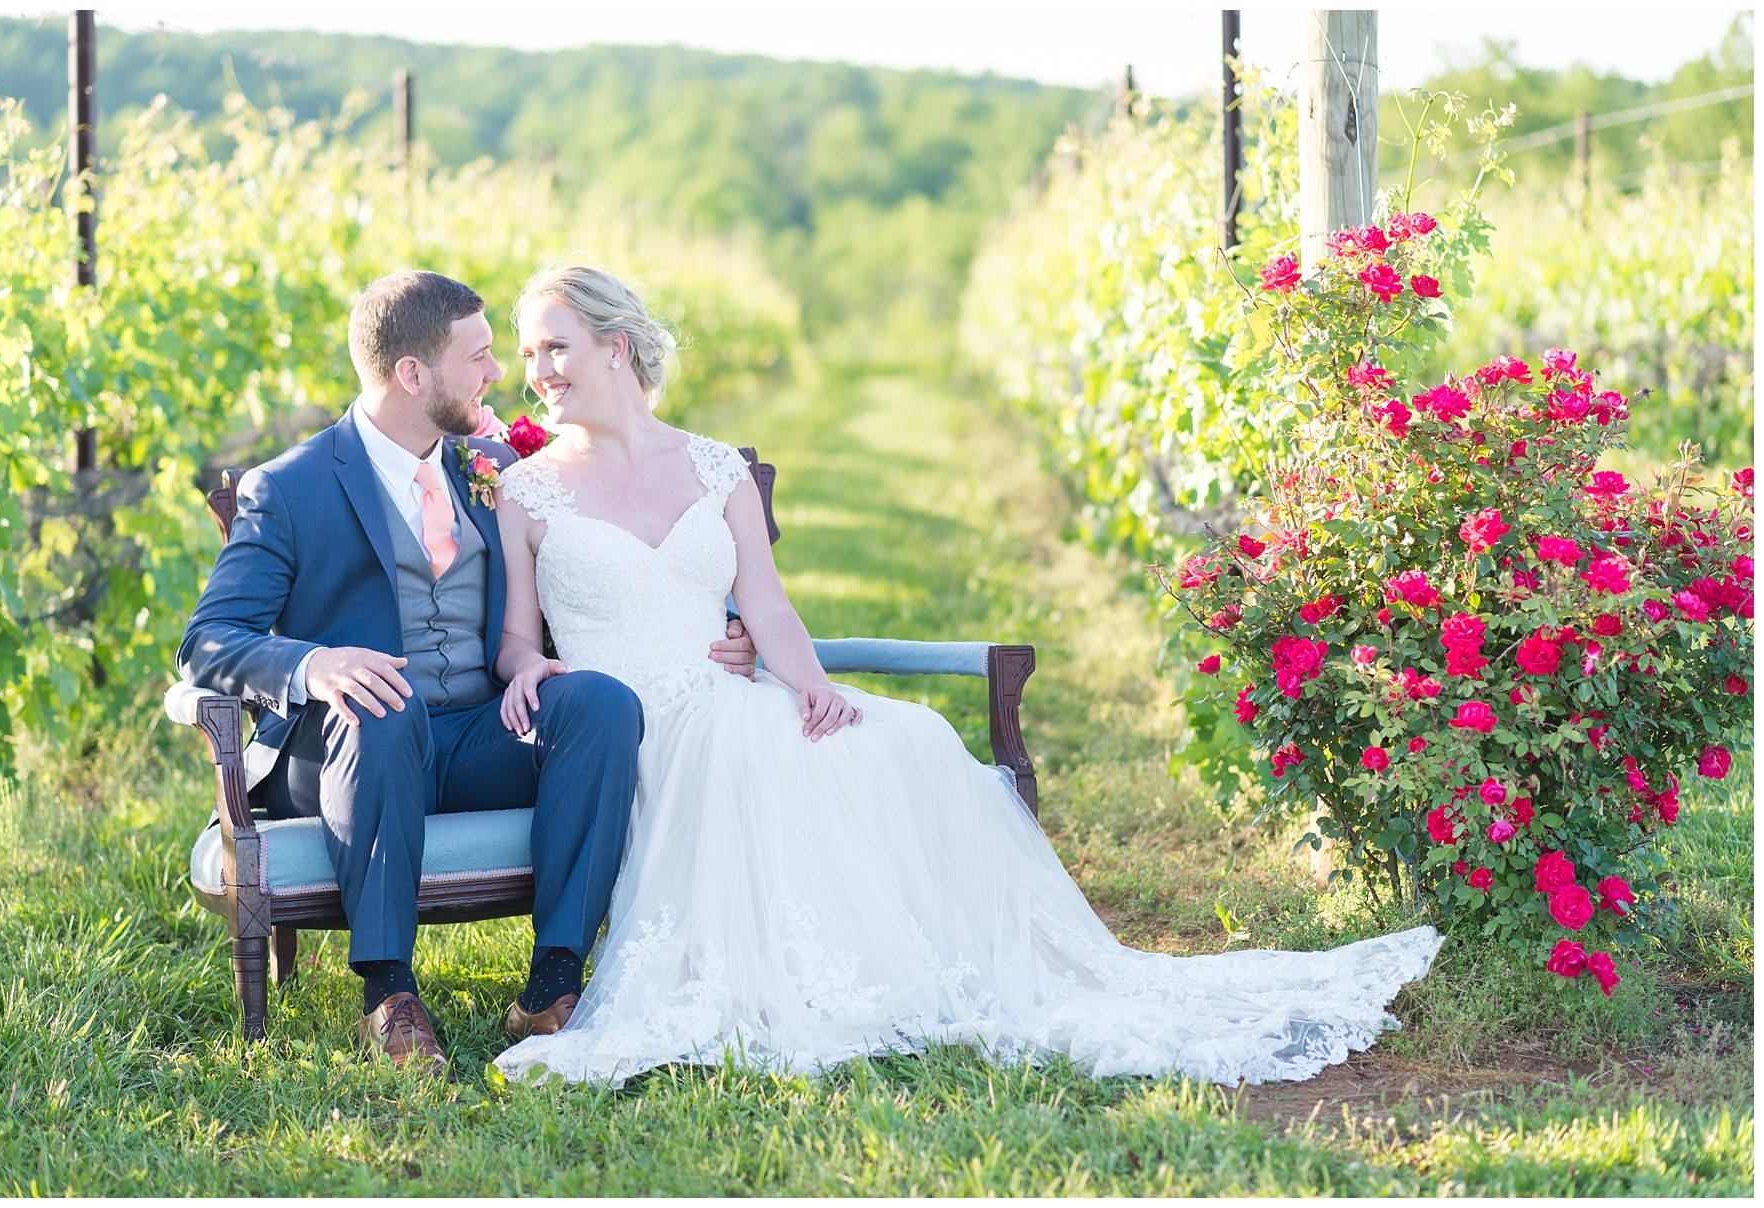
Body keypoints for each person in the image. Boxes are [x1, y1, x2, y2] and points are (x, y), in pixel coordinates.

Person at [489, 261, 1444, 1088]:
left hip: (727, 688)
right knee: (760, 761)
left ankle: (921, 966)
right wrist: (532, 665)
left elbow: (768, 608)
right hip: (624, 722)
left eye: (553, 348)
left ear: (617, 345)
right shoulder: (527, 490)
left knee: (900, 737)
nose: (538, 373)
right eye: (529, 356)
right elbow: (516, 642)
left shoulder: (712, 467)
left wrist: (811, 682)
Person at [177, 270, 758, 1072]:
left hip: (484, 734)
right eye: (480, 358)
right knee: (379, 706)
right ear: (413, 375)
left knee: (596, 704)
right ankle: (388, 993)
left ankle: (554, 981)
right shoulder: (291, 487)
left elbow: (607, 557)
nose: (497, 377)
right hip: (353, 749)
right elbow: (209, 639)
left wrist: (726, 620)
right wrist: (317, 664)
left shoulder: (490, 467)